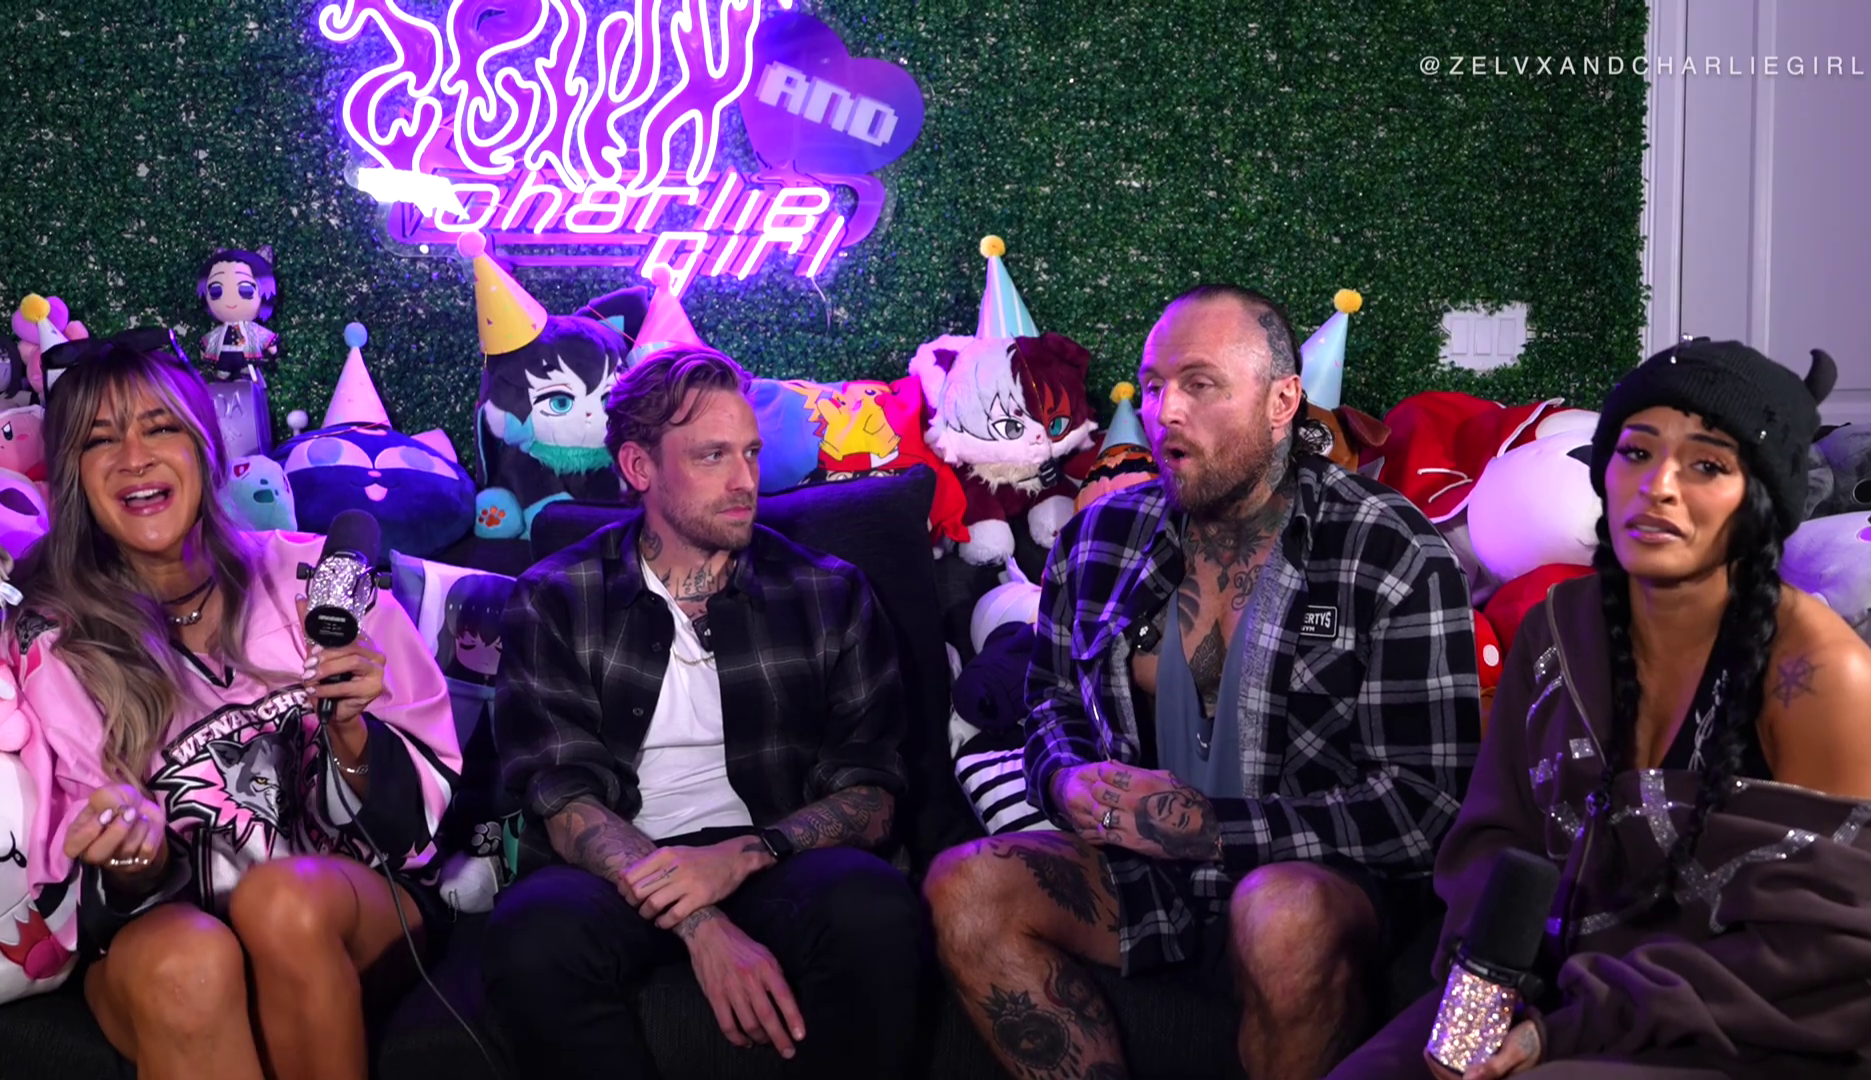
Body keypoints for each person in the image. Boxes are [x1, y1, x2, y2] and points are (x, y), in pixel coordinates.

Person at [925, 285, 1484, 1080]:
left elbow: (1427, 805)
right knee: (965, 887)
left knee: (1279, 913)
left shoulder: (1390, 549)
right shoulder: (1101, 534)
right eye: (1154, 386)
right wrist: (1067, 780)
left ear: (1282, 401)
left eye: (1200, 384)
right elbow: (1050, 701)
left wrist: (1213, 828)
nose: (1166, 412)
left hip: (1316, 878)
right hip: (1141, 870)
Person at [1328, 339, 1871, 1080]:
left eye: (1707, 466)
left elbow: (1814, 953)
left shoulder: (1822, 675)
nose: (1658, 486)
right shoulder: (1553, 631)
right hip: (1551, 991)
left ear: (1764, 499)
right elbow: (1495, 839)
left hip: (1749, 1025)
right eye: (1636, 453)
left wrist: (1554, 1037)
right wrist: (1485, 995)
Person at [13, 329, 462, 1080]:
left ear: (205, 449)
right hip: (170, 930)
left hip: (343, 905)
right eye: (100, 440)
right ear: (74, 477)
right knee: (186, 960)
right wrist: (135, 859)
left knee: (281, 903)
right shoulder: (57, 647)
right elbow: (81, 890)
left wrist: (353, 736)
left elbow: (411, 833)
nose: (134, 458)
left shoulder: (317, 577)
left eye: (160, 428)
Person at [482, 345, 927, 1078]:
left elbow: (872, 797)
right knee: (533, 937)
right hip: (616, 867)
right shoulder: (556, 596)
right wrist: (699, 921)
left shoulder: (829, 592)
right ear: (639, 467)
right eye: (713, 456)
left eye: (750, 453)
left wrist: (745, 855)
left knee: (872, 908)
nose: (745, 480)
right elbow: (563, 801)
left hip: (775, 853)